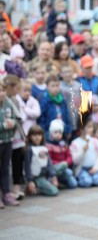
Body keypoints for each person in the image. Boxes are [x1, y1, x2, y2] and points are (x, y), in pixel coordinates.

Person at [0, 79, 20, 207]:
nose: (1, 93)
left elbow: (16, 118)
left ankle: (6, 193)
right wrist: (3, 125)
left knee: (5, 168)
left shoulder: (8, 103)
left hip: (8, 141)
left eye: (2, 90)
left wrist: (13, 124)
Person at [24, 125, 59, 197]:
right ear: (30, 136)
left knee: (62, 165)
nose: (37, 137)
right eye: (34, 135)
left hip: (46, 174)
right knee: (54, 191)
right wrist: (30, 181)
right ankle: (37, 187)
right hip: (36, 177)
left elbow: (49, 163)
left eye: (39, 135)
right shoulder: (29, 149)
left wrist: (53, 176)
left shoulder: (44, 148)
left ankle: (49, 182)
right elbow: (27, 166)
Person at [70, 118, 98, 188]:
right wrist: (83, 151)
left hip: (93, 167)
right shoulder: (75, 143)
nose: (91, 129)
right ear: (81, 129)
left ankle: (92, 177)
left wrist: (96, 168)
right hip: (82, 168)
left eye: (91, 127)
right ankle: (81, 178)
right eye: (88, 127)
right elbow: (75, 161)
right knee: (87, 182)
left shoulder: (95, 141)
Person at [46, 119, 77, 189]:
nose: (58, 135)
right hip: (54, 168)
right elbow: (49, 160)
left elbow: (69, 156)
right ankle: (51, 179)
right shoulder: (49, 146)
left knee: (73, 184)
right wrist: (60, 163)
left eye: (60, 133)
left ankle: (60, 181)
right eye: (55, 132)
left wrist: (66, 162)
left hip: (64, 167)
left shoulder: (64, 144)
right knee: (68, 172)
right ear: (51, 133)